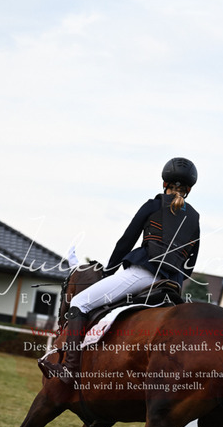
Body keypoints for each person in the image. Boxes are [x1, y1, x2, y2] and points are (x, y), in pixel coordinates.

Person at [39, 157, 200, 385]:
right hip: (172, 287)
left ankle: (70, 368)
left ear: (164, 183)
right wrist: (173, 279)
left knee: (79, 303)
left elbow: (126, 242)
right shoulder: (194, 218)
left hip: (142, 275)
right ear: (189, 189)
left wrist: (109, 272)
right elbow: (190, 265)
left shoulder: (153, 205)